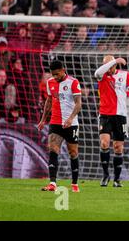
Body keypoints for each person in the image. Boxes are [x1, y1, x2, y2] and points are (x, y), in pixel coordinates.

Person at [94, 55, 129, 187]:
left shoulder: (125, 75)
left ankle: (117, 179)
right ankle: (105, 175)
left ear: (115, 66)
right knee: (104, 143)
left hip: (121, 116)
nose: (108, 68)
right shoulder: (101, 75)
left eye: (111, 65)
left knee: (118, 147)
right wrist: (115, 60)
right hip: (105, 114)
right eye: (106, 65)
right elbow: (97, 72)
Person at [38, 60, 82, 193]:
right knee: (53, 149)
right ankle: (52, 183)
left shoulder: (73, 82)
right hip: (55, 122)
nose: (55, 77)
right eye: (53, 74)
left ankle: (74, 183)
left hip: (71, 123)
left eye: (57, 74)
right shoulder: (50, 82)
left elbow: (78, 103)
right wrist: (43, 120)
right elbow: (49, 101)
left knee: (73, 153)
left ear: (63, 70)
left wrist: (70, 118)